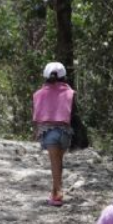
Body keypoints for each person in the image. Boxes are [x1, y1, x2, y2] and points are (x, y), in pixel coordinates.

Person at [33, 61, 76, 207]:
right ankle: (54, 190)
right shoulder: (70, 92)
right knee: (59, 162)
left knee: (54, 163)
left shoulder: (39, 94)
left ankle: (57, 194)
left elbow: (37, 117)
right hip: (65, 133)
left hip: (49, 132)